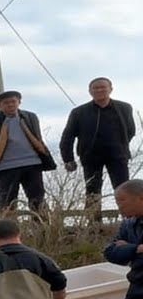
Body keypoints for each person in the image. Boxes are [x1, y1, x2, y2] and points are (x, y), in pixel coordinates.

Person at [59, 77, 137, 220]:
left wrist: (120, 145)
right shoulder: (79, 112)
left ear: (110, 89)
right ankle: (93, 223)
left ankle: (130, 220)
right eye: (96, 88)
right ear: (90, 91)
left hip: (117, 155)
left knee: (123, 188)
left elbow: (130, 130)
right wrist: (68, 159)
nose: (99, 90)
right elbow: (67, 136)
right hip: (91, 156)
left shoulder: (124, 108)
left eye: (103, 87)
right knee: (92, 190)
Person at [0, 90, 57, 219]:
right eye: (6, 103)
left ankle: (42, 229)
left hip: (33, 163)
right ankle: (5, 230)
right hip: (6, 166)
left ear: (19, 102)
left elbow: (37, 137)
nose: (10, 105)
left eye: (13, 101)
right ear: (0, 106)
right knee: (7, 201)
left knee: (37, 199)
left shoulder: (30, 117)